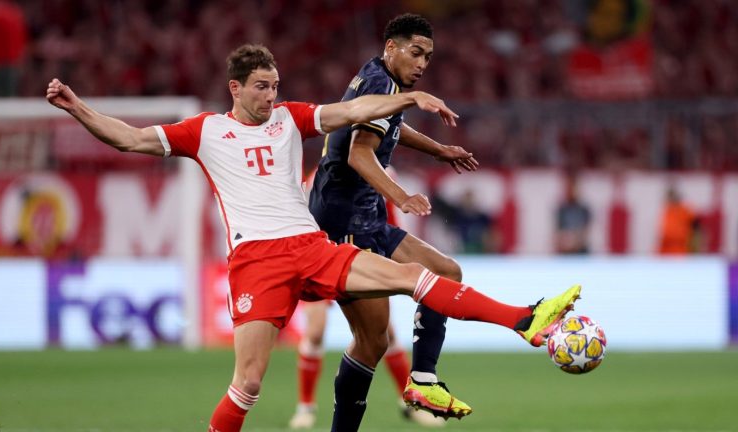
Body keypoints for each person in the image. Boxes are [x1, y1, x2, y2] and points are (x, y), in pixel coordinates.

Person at [46, 43, 581, 432]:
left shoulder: (290, 119)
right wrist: (78, 109)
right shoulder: (204, 130)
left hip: (311, 245)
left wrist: (407, 98)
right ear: (235, 87)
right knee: (249, 383)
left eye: (275, 85)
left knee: (412, 277)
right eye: (261, 86)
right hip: (256, 261)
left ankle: (525, 320)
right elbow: (131, 137)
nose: (271, 95)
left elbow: (351, 111)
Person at [308, 14, 479, 428]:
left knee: (446, 271)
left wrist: (438, 150)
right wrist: (401, 197)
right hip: (343, 223)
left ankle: (422, 379)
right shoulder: (382, 84)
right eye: (416, 52)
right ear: (391, 48)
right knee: (372, 341)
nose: (422, 63)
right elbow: (359, 153)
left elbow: (390, 130)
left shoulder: (379, 78)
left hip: (364, 217)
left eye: (428, 57)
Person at [290, 168, 445, 429]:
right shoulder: (321, 174)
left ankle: (409, 402)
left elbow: (389, 223)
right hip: (320, 259)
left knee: (384, 335)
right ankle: (305, 407)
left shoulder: (386, 173)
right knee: (315, 332)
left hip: (361, 259)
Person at [554, 172, 592, 254]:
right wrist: (565, 241)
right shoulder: (562, 210)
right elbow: (558, 231)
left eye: (573, 188)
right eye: (568, 188)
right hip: (564, 249)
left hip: (580, 249)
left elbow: (586, 231)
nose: (570, 191)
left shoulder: (584, 210)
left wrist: (575, 241)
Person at [657, 185, 699, 254]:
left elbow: (696, 229)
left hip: (681, 250)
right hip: (666, 251)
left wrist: (694, 249)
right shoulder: (667, 210)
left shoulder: (686, 210)